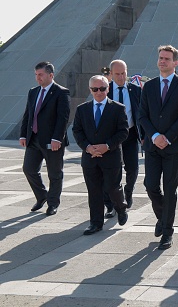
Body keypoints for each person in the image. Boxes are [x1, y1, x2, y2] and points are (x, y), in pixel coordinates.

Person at [138, 45, 178, 250]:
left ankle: (167, 232)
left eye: (167, 59)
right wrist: (154, 136)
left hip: (174, 146)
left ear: (175, 62)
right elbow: (142, 115)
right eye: (160, 58)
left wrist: (167, 137)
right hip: (153, 146)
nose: (163, 61)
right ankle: (162, 217)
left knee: (170, 189)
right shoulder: (149, 86)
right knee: (150, 185)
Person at [72, 75, 129, 235]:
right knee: (94, 191)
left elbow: (123, 132)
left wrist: (107, 146)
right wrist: (88, 147)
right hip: (90, 158)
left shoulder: (118, 108)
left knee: (112, 188)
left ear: (108, 89)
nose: (99, 92)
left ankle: (121, 207)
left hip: (111, 157)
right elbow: (77, 130)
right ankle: (95, 223)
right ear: (90, 90)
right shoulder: (82, 109)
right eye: (95, 89)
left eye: (102, 89)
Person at [19, 61, 70, 216]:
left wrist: (57, 138)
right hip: (33, 139)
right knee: (28, 169)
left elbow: (63, 118)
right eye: (36, 75)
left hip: (52, 141)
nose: (37, 78)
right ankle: (42, 196)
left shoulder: (61, 92)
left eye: (40, 74)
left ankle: (53, 203)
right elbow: (28, 114)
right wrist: (23, 134)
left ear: (51, 75)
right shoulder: (33, 92)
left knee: (55, 173)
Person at [103, 60, 143, 216]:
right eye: (117, 74)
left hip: (131, 135)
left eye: (123, 73)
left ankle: (128, 192)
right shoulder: (105, 90)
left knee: (132, 168)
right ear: (111, 74)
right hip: (111, 137)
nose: (121, 77)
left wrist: (144, 135)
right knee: (113, 171)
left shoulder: (135, 90)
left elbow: (142, 114)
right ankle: (113, 202)